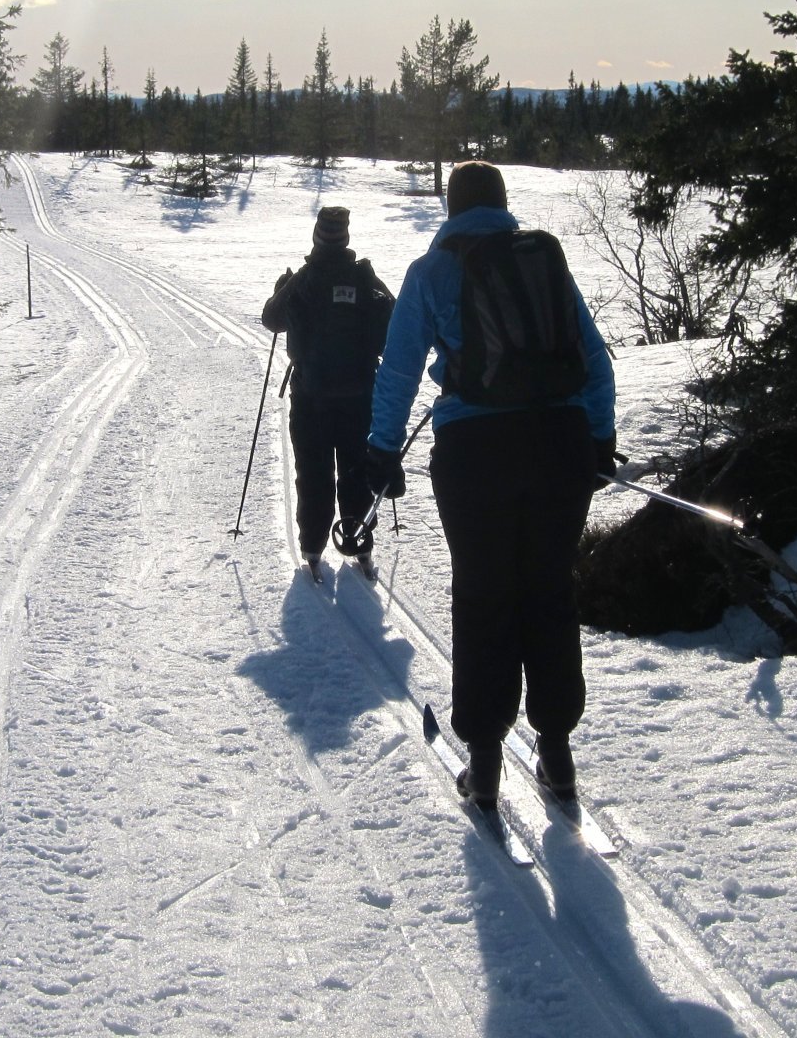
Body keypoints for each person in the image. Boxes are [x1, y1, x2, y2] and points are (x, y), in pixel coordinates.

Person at [365, 162, 617, 808]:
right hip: (560, 444)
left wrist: (383, 449)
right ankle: (557, 754)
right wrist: (599, 438)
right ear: (503, 204)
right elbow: (593, 358)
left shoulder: (432, 271)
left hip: (476, 453)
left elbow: (399, 369)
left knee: (484, 596)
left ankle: (484, 764)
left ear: (451, 208)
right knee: (549, 591)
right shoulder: (543, 261)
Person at [262, 206, 394, 578]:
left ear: (317, 237)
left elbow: (271, 319)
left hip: (311, 397)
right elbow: (393, 322)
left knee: (313, 471)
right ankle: (358, 540)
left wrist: (281, 289)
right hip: (359, 395)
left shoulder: (303, 279)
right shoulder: (364, 277)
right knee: (356, 469)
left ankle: (312, 547)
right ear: (346, 238)